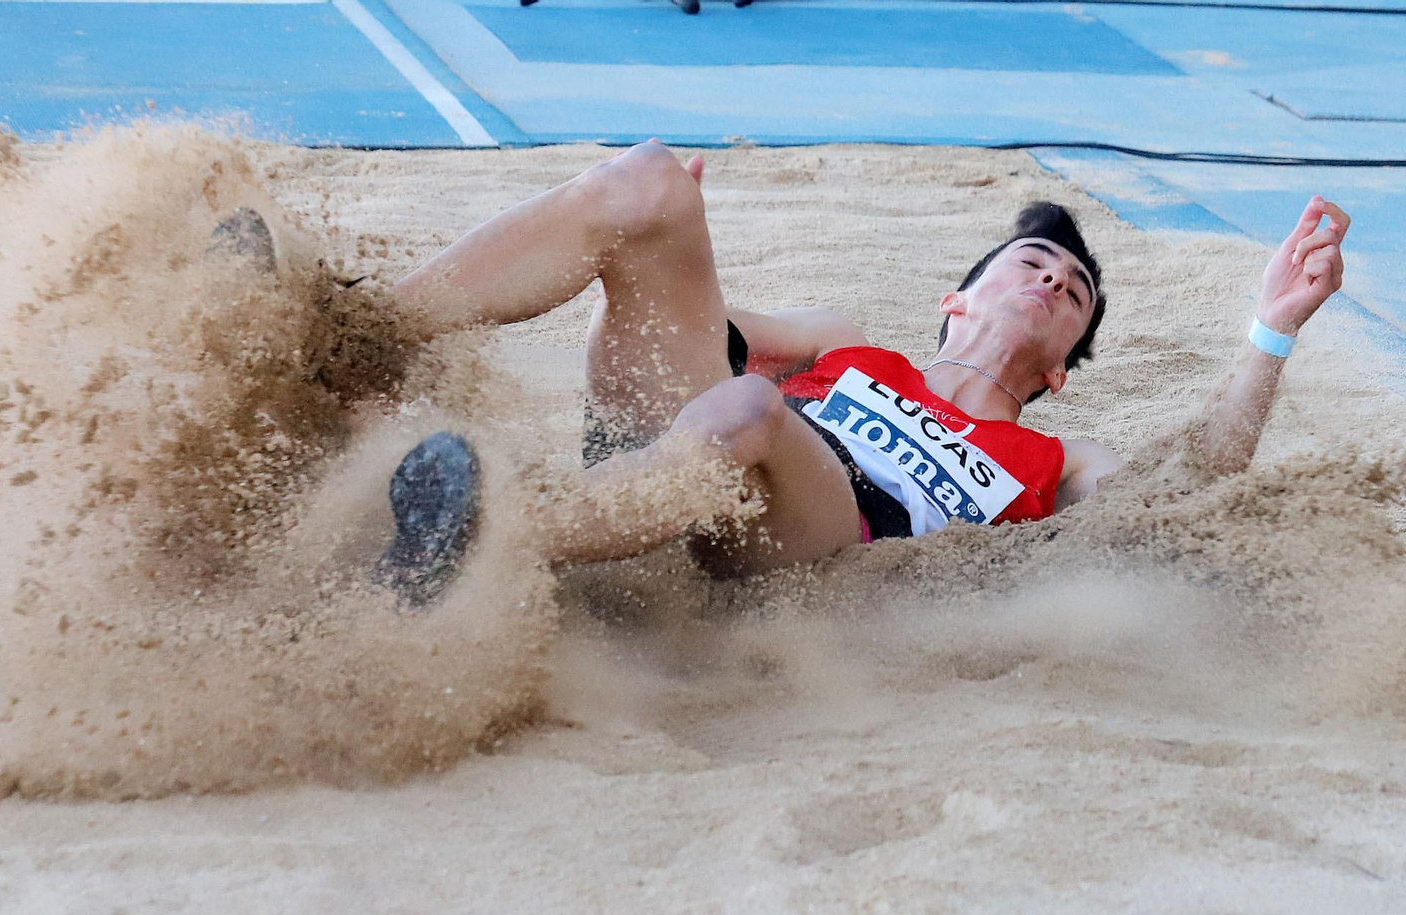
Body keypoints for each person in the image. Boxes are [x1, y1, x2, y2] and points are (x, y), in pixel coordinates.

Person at [372, 140, 1350, 606]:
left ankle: (489, 531)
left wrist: (1270, 332)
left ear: (1058, 370)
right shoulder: (846, 343)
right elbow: (670, 335)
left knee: (751, 407)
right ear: (954, 302)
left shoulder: (1053, 460)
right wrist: (659, 247)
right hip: (680, 455)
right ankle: (358, 333)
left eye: (1073, 291)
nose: (1052, 274)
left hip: (818, 543)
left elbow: (1190, 489)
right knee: (648, 183)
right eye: (1029, 264)